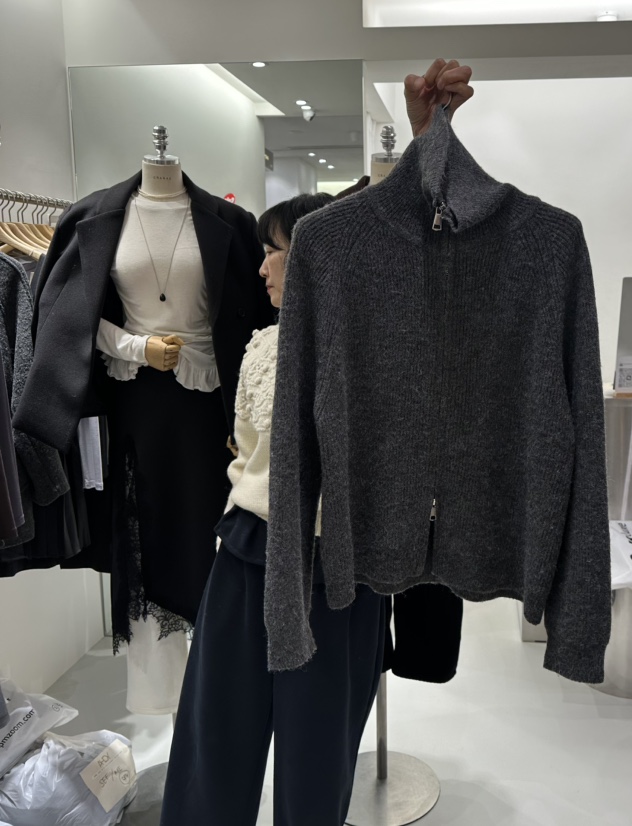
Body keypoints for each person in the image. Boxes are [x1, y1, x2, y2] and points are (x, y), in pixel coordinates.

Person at [160, 58, 475, 826]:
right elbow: (244, 450)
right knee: (213, 739)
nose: (263, 263)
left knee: (318, 753)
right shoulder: (263, 346)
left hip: (340, 564)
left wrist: (432, 137)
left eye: (278, 248)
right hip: (246, 550)